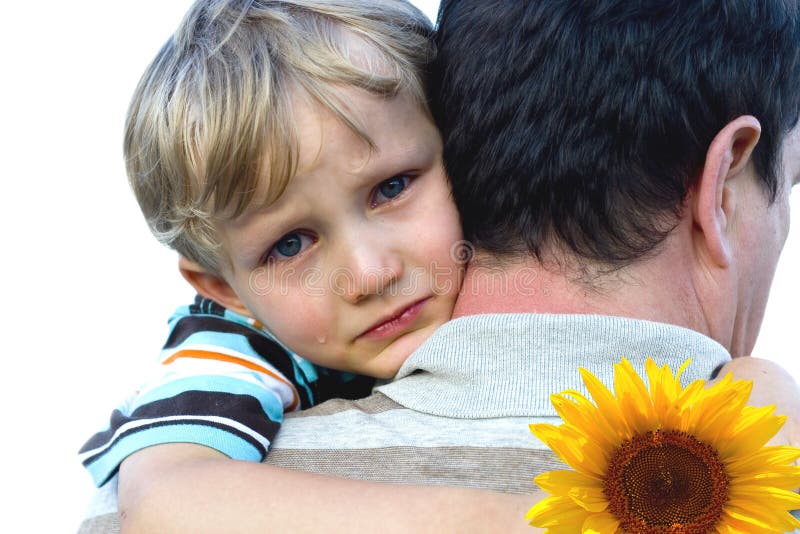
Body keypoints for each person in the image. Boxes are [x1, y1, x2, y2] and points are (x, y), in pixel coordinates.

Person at [79, 0, 800, 532]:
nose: (368, 271)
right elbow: (166, 502)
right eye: (289, 244)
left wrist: (763, 385)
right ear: (221, 287)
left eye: (392, 188)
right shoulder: (225, 352)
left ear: (457, 146)